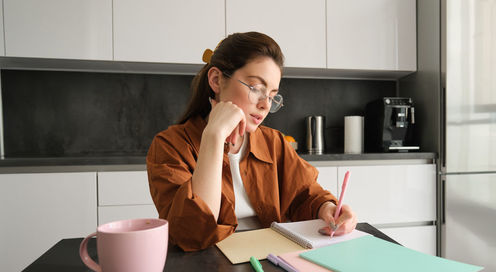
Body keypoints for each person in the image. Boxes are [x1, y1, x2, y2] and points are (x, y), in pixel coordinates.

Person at [146, 32, 357, 251]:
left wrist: (328, 208)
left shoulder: (274, 142)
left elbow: (305, 195)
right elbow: (191, 234)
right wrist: (214, 137)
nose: (265, 105)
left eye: (272, 95)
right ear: (216, 80)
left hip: (271, 259)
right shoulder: (169, 146)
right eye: (256, 88)